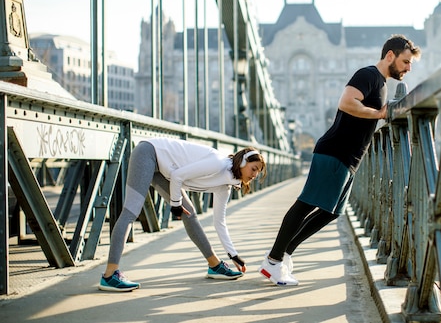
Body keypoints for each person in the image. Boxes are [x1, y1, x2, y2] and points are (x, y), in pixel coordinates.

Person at [258, 34, 421, 286]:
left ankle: (283, 254)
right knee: (306, 204)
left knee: (331, 211)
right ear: (390, 55)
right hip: (335, 150)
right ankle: (273, 260)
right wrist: (378, 113)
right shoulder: (367, 75)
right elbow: (346, 103)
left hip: (349, 156)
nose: (409, 68)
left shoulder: (381, 83)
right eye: (406, 61)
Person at [98, 138, 266, 292]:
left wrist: (233, 254)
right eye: (254, 169)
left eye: (258, 172)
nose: (255, 175)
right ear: (243, 161)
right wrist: (176, 205)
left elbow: (219, 222)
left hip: (164, 169)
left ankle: (214, 265)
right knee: (131, 211)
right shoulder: (218, 164)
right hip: (148, 153)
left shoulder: (226, 186)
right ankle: (110, 275)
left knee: (189, 213)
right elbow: (178, 176)